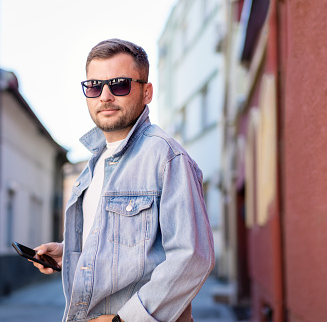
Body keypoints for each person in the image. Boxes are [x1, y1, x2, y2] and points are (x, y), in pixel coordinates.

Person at [32, 38, 215, 322]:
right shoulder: (94, 163)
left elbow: (192, 257)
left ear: (147, 92)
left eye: (119, 84)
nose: (105, 96)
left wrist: (125, 320)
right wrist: (68, 253)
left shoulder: (167, 157)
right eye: (94, 86)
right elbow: (123, 244)